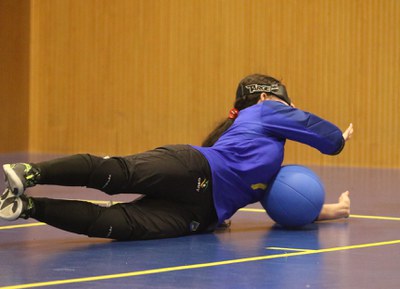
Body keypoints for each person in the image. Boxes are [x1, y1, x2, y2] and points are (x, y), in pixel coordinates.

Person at [0, 74, 353, 240]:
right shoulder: (263, 113)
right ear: (265, 99)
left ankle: (27, 209)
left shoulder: (269, 162)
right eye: (285, 102)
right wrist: (338, 138)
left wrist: (332, 211)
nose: (290, 108)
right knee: (115, 174)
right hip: (192, 168)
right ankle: (30, 172)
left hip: (198, 214)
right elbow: (313, 128)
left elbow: (287, 200)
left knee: (117, 225)